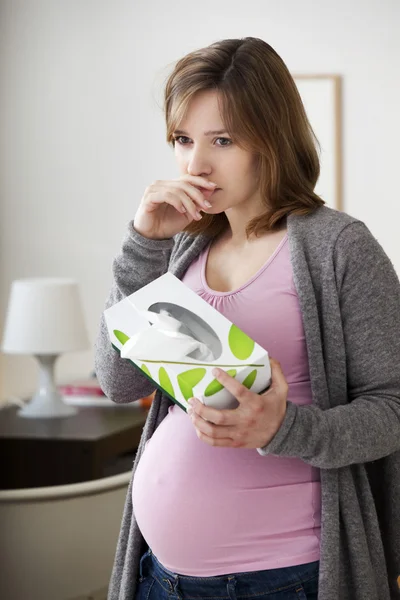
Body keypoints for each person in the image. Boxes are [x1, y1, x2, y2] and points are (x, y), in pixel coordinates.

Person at [94, 37, 400, 600]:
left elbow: (392, 410)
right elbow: (120, 382)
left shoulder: (338, 247)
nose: (195, 164)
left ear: (271, 141)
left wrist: (281, 429)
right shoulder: (184, 246)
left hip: (284, 578)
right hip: (159, 575)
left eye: (223, 140)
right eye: (183, 140)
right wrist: (143, 244)